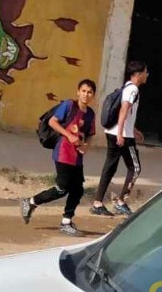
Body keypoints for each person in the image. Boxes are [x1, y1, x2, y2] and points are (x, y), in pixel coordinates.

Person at [21, 79, 98, 236]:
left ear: (93, 96)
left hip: (77, 156)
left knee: (77, 189)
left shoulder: (90, 114)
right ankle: (30, 202)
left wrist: (86, 146)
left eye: (89, 92)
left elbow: (90, 134)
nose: (86, 94)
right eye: (83, 91)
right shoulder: (69, 105)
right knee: (62, 188)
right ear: (78, 91)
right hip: (63, 152)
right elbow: (52, 121)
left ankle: (66, 221)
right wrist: (68, 135)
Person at [92, 60, 148, 217]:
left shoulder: (126, 87)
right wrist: (121, 133)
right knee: (135, 168)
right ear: (138, 74)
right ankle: (121, 202)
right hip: (122, 135)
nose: (147, 74)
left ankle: (97, 203)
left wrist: (133, 129)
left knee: (109, 167)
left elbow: (124, 113)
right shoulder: (133, 90)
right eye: (145, 72)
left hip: (113, 131)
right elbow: (124, 109)